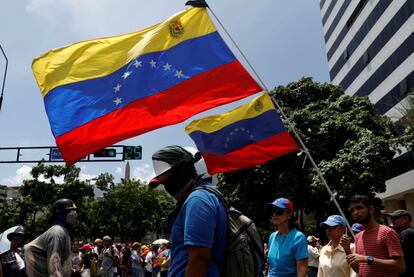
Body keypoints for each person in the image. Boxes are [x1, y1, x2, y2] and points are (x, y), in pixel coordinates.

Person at [149, 145, 228, 277]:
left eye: (167, 181)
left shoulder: (197, 200)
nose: (167, 189)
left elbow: (199, 260)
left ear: (181, 172)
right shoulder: (199, 197)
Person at [346, 195, 405, 277]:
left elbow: (400, 267)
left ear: (371, 209)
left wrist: (367, 259)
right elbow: (359, 270)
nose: (355, 212)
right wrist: (346, 248)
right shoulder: (358, 237)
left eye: (359, 208)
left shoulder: (387, 232)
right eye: (352, 210)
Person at [24, 198, 78, 277]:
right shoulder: (57, 232)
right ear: (61, 213)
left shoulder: (63, 232)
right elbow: (54, 267)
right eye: (70, 211)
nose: (74, 214)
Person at [265, 197, 308, 277]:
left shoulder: (298, 237)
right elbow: (271, 268)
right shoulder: (272, 236)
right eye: (272, 212)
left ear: (289, 215)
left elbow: (302, 272)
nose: (274, 214)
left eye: (278, 211)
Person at [385, 209, 414, 277]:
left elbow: (396, 255)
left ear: (405, 219)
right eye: (391, 218)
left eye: (394, 218)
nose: (392, 221)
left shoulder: (407, 233)